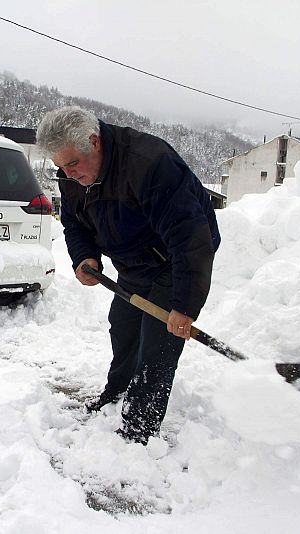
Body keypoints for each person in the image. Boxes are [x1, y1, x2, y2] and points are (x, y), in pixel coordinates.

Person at [36, 106, 220, 445]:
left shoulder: (149, 163)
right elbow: (74, 221)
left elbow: (191, 240)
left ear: (94, 142)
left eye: (73, 164)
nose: (68, 173)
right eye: (61, 167)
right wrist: (84, 255)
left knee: (157, 347)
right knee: (123, 329)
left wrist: (184, 305)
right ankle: (117, 395)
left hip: (173, 261)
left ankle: (138, 430)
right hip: (132, 263)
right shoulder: (72, 173)